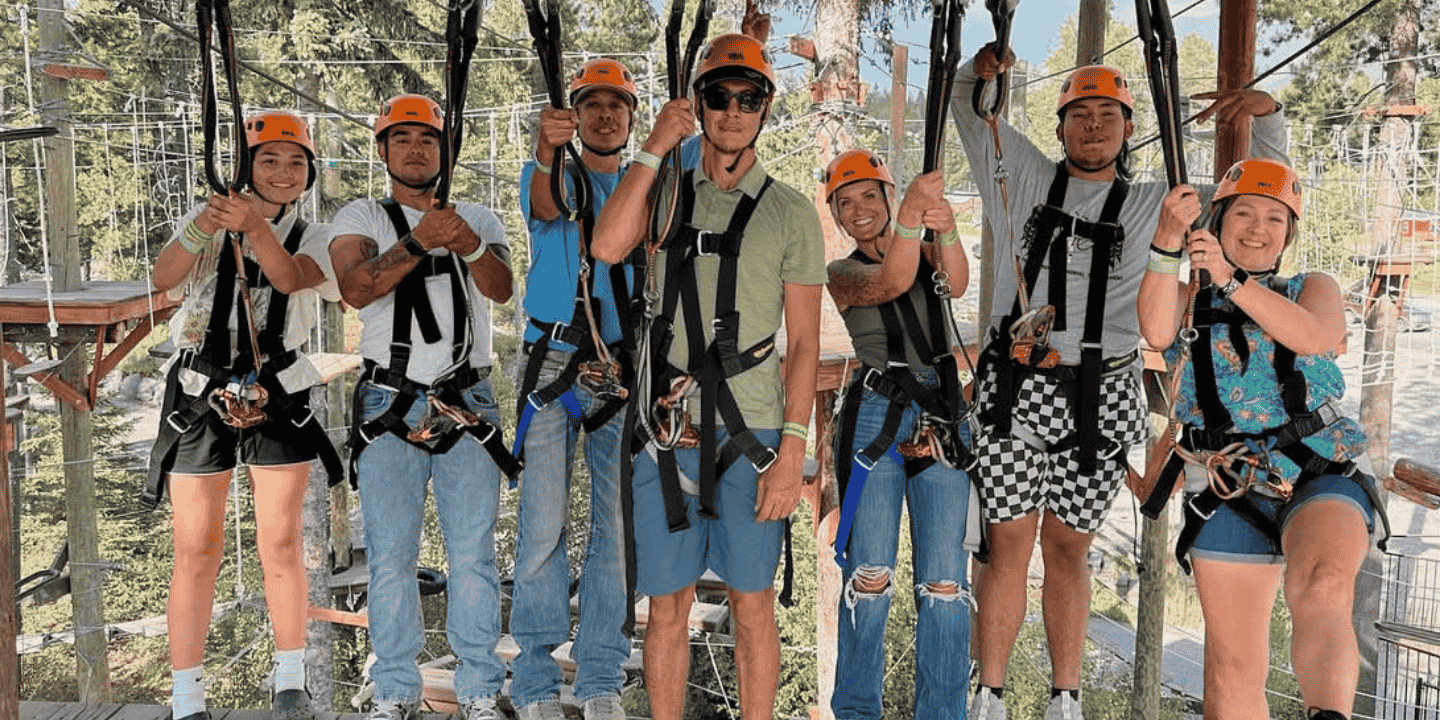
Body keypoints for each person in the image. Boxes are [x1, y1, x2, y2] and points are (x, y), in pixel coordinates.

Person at [955, 44, 1289, 720]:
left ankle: (1064, 698)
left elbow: (1254, 193)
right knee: (1010, 538)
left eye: (1109, 114)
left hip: (1102, 393)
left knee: (1070, 548)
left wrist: (1269, 117)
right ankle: (989, 693)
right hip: (1017, 388)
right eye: (1081, 113)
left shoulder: (1153, 207)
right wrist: (979, 68)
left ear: (1130, 128)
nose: (1095, 125)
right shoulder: (1017, 175)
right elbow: (969, 108)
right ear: (1059, 126)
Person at [591, 33, 826, 720]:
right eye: (719, 96)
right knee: (667, 605)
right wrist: (655, 146)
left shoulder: (790, 212)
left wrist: (793, 451)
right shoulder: (663, 191)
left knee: (753, 603)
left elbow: (806, 342)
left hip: (753, 428)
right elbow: (607, 245)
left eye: (747, 98)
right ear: (699, 103)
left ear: (765, 109)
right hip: (671, 428)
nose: (732, 111)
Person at [1139, 158, 1383, 720]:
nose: (1257, 227)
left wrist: (1229, 278)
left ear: (1288, 234)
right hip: (1230, 480)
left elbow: (1315, 334)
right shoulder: (1186, 300)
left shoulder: (1312, 288)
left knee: (1322, 585)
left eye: (1275, 218)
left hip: (1319, 464)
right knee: (1234, 667)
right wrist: (1166, 242)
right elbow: (1154, 331)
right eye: (1243, 213)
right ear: (1218, 222)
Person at [147, 111, 341, 720]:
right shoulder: (211, 222)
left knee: (280, 542)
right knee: (194, 548)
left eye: (295, 162)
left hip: (279, 387)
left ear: (309, 173)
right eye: (269, 160)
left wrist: (254, 228)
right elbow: (165, 277)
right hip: (200, 389)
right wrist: (207, 224)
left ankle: (290, 681)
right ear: (244, 167)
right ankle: (186, 696)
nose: (283, 172)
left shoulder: (317, 234)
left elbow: (291, 277)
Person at [329, 93, 516, 720]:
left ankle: (481, 688)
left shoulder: (479, 219)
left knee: (473, 555)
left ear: (444, 152)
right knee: (390, 559)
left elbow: (502, 288)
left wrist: (462, 241)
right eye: (403, 140)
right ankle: (395, 691)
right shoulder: (361, 216)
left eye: (428, 141)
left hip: (466, 398)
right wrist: (418, 241)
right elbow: (357, 289)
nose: (416, 150)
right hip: (390, 398)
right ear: (383, 150)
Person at [508, 58, 641, 720]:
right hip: (554, 362)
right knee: (542, 527)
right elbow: (544, 204)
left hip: (619, 371)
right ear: (576, 116)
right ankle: (533, 681)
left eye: (616, 106)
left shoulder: (649, 188)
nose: (605, 114)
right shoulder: (552, 174)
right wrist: (545, 146)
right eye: (593, 105)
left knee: (616, 531)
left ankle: (599, 680)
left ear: (631, 118)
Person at [821, 149, 975, 719]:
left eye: (870, 196)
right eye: (845, 202)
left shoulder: (930, 250)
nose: (859, 211)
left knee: (944, 585)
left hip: (938, 410)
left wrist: (947, 225)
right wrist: (913, 215)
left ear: (887, 197)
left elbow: (954, 284)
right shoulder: (842, 274)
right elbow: (891, 281)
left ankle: (942, 713)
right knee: (870, 576)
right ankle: (858, 710)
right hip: (876, 415)